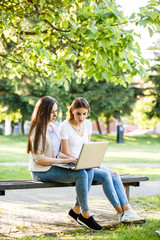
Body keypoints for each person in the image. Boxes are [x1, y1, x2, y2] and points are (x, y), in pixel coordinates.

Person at [60, 97, 145, 224]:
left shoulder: (87, 124)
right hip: (75, 165)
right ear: (72, 110)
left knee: (115, 174)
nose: (81, 117)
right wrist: (75, 159)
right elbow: (64, 151)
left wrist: (95, 160)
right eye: (78, 113)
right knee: (106, 175)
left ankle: (127, 211)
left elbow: (88, 146)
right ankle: (122, 213)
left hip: (88, 162)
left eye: (85, 114)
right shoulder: (64, 126)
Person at [26, 96, 102, 231]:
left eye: (56, 111)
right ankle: (85, 214)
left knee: (87, 170)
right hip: (41, 170)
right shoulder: (37, 129)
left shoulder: (53, 128)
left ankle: (76, 211)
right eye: (51, 112)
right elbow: (39, 159)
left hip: (54, 166)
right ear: (43, 112)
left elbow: (59, 152)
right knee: (81, 175)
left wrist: (75, 159)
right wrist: (63, 161)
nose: (55, 115)